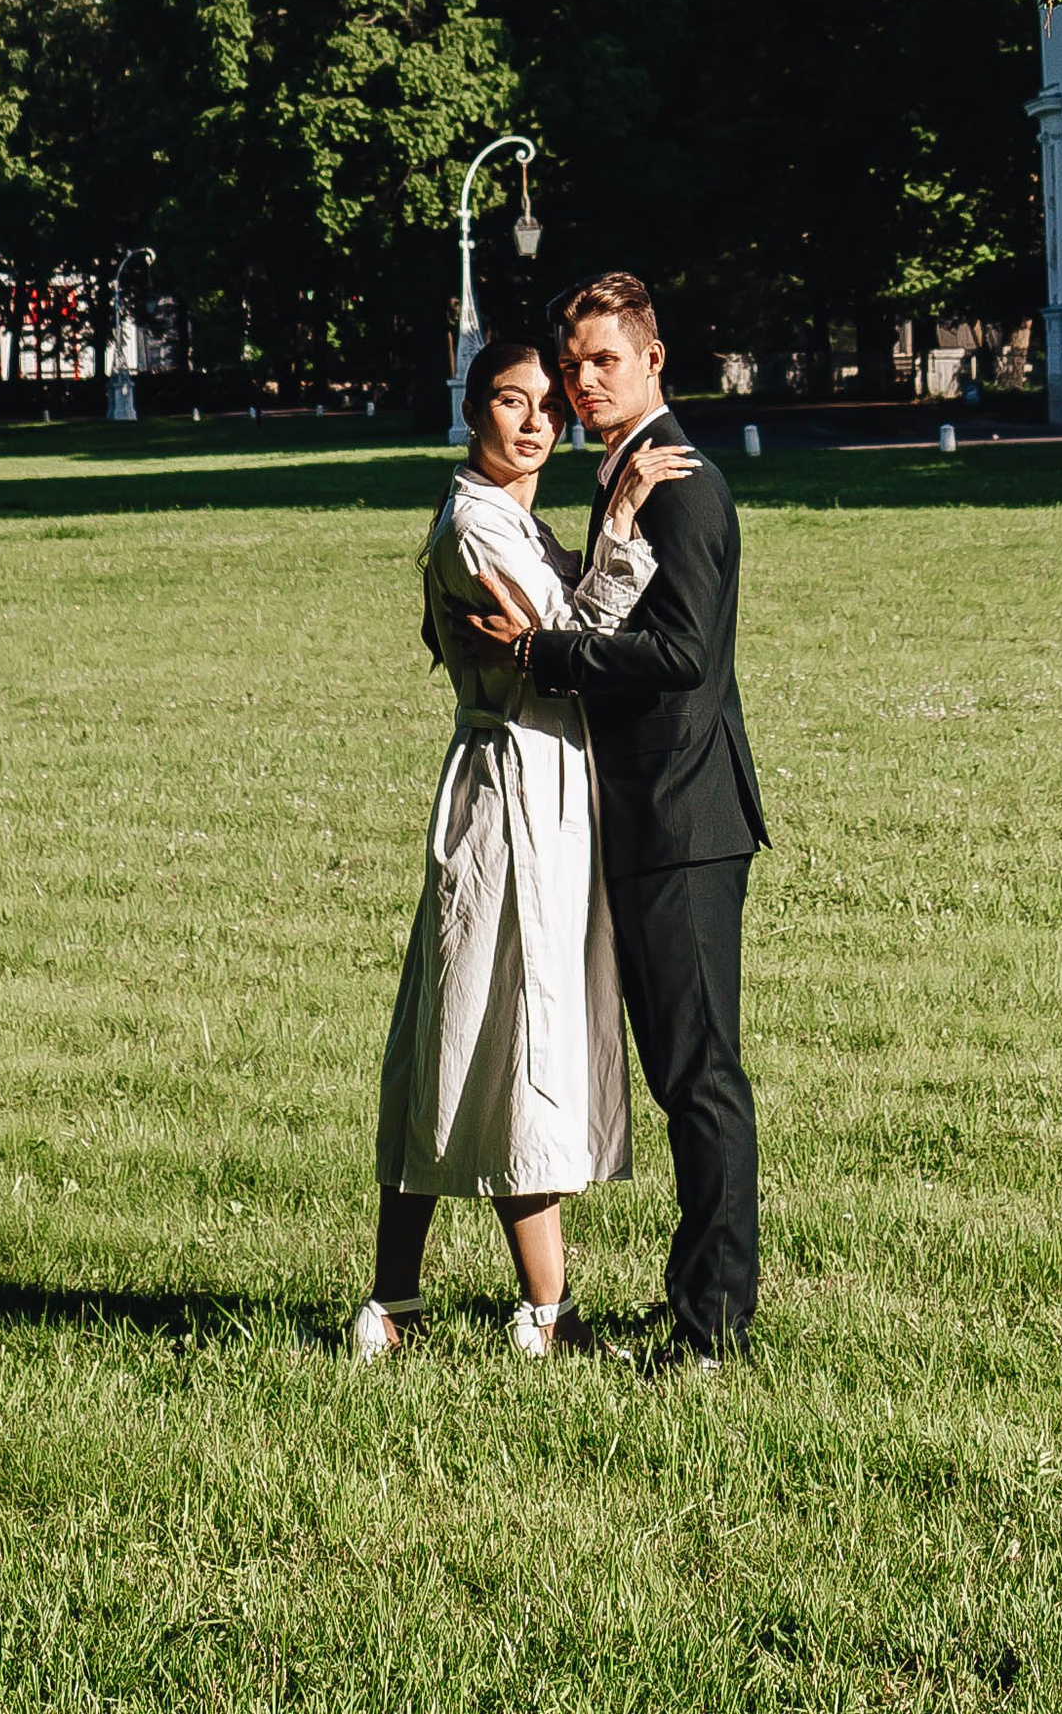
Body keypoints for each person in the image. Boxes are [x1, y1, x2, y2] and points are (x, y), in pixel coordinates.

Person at [354, 336, 694, 1364]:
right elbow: (571, 654)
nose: (537, 420)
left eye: (548, 402)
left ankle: (395, 1304)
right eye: (512, 401)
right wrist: (626, 527)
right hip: (512, 798)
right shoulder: (479, 527)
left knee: (461, 1035)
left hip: (531, 788)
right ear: (473, 410)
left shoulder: (506, 517)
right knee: (508, 1036)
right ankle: (543, 1314)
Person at [464, 269, 767, 1373]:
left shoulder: (679, 483)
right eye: (572, 365)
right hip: (643, 817)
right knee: (684, 1076)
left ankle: (713, 1331)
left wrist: (545, 656)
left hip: (684, 821)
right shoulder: (629, 477)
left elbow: (687, 656)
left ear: (652, 360)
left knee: (701, 1079)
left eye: (604, 362)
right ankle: (697, 1296)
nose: (582, 384)